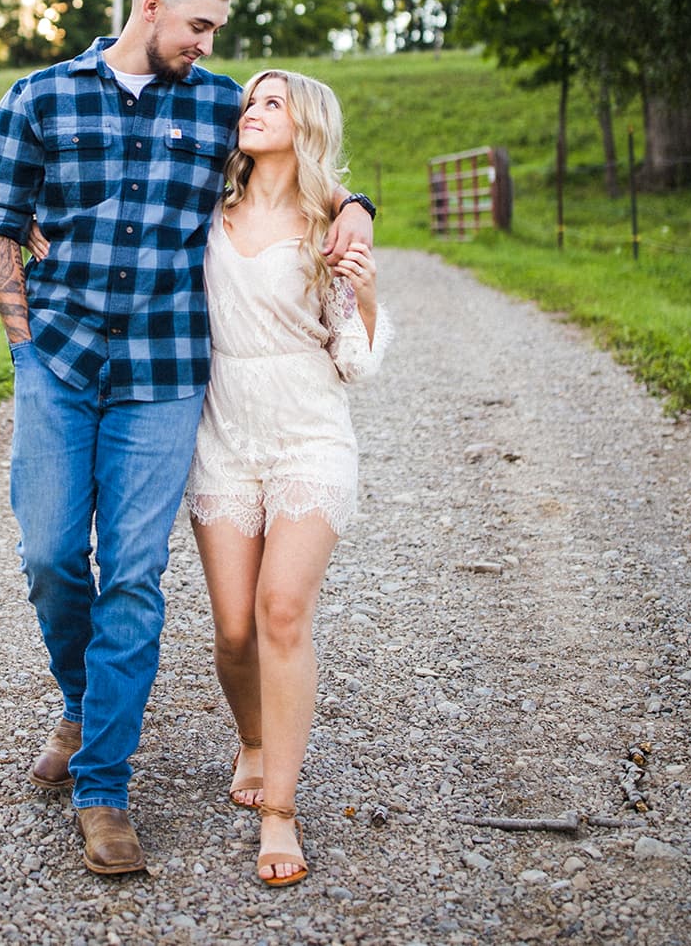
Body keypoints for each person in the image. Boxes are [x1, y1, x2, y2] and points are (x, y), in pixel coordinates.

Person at [0, 0, 376, 877]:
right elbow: (0, 223)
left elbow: (304, 165)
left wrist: (358, 203)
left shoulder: (215, 104)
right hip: (59, 365)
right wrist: (22, 344)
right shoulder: (37, 98)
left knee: (133, 575)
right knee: (46, 554)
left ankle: (103, 788)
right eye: (198, 25)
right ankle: (81, 704)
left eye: (215, 32)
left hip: (163, 377)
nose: (207, 45)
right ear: (151, 7)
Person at [185, 68, 390, 888]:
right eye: (248, 101)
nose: (251, 111)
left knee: (279, 610)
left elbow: (357, 363)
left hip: (308, 431)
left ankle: (280, 809)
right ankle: (253, 738)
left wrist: (366, 296)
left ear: (303, 123)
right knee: (233, 627)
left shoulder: (328, 227)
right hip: (223, 432)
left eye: (271, 102)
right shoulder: (208, 206)